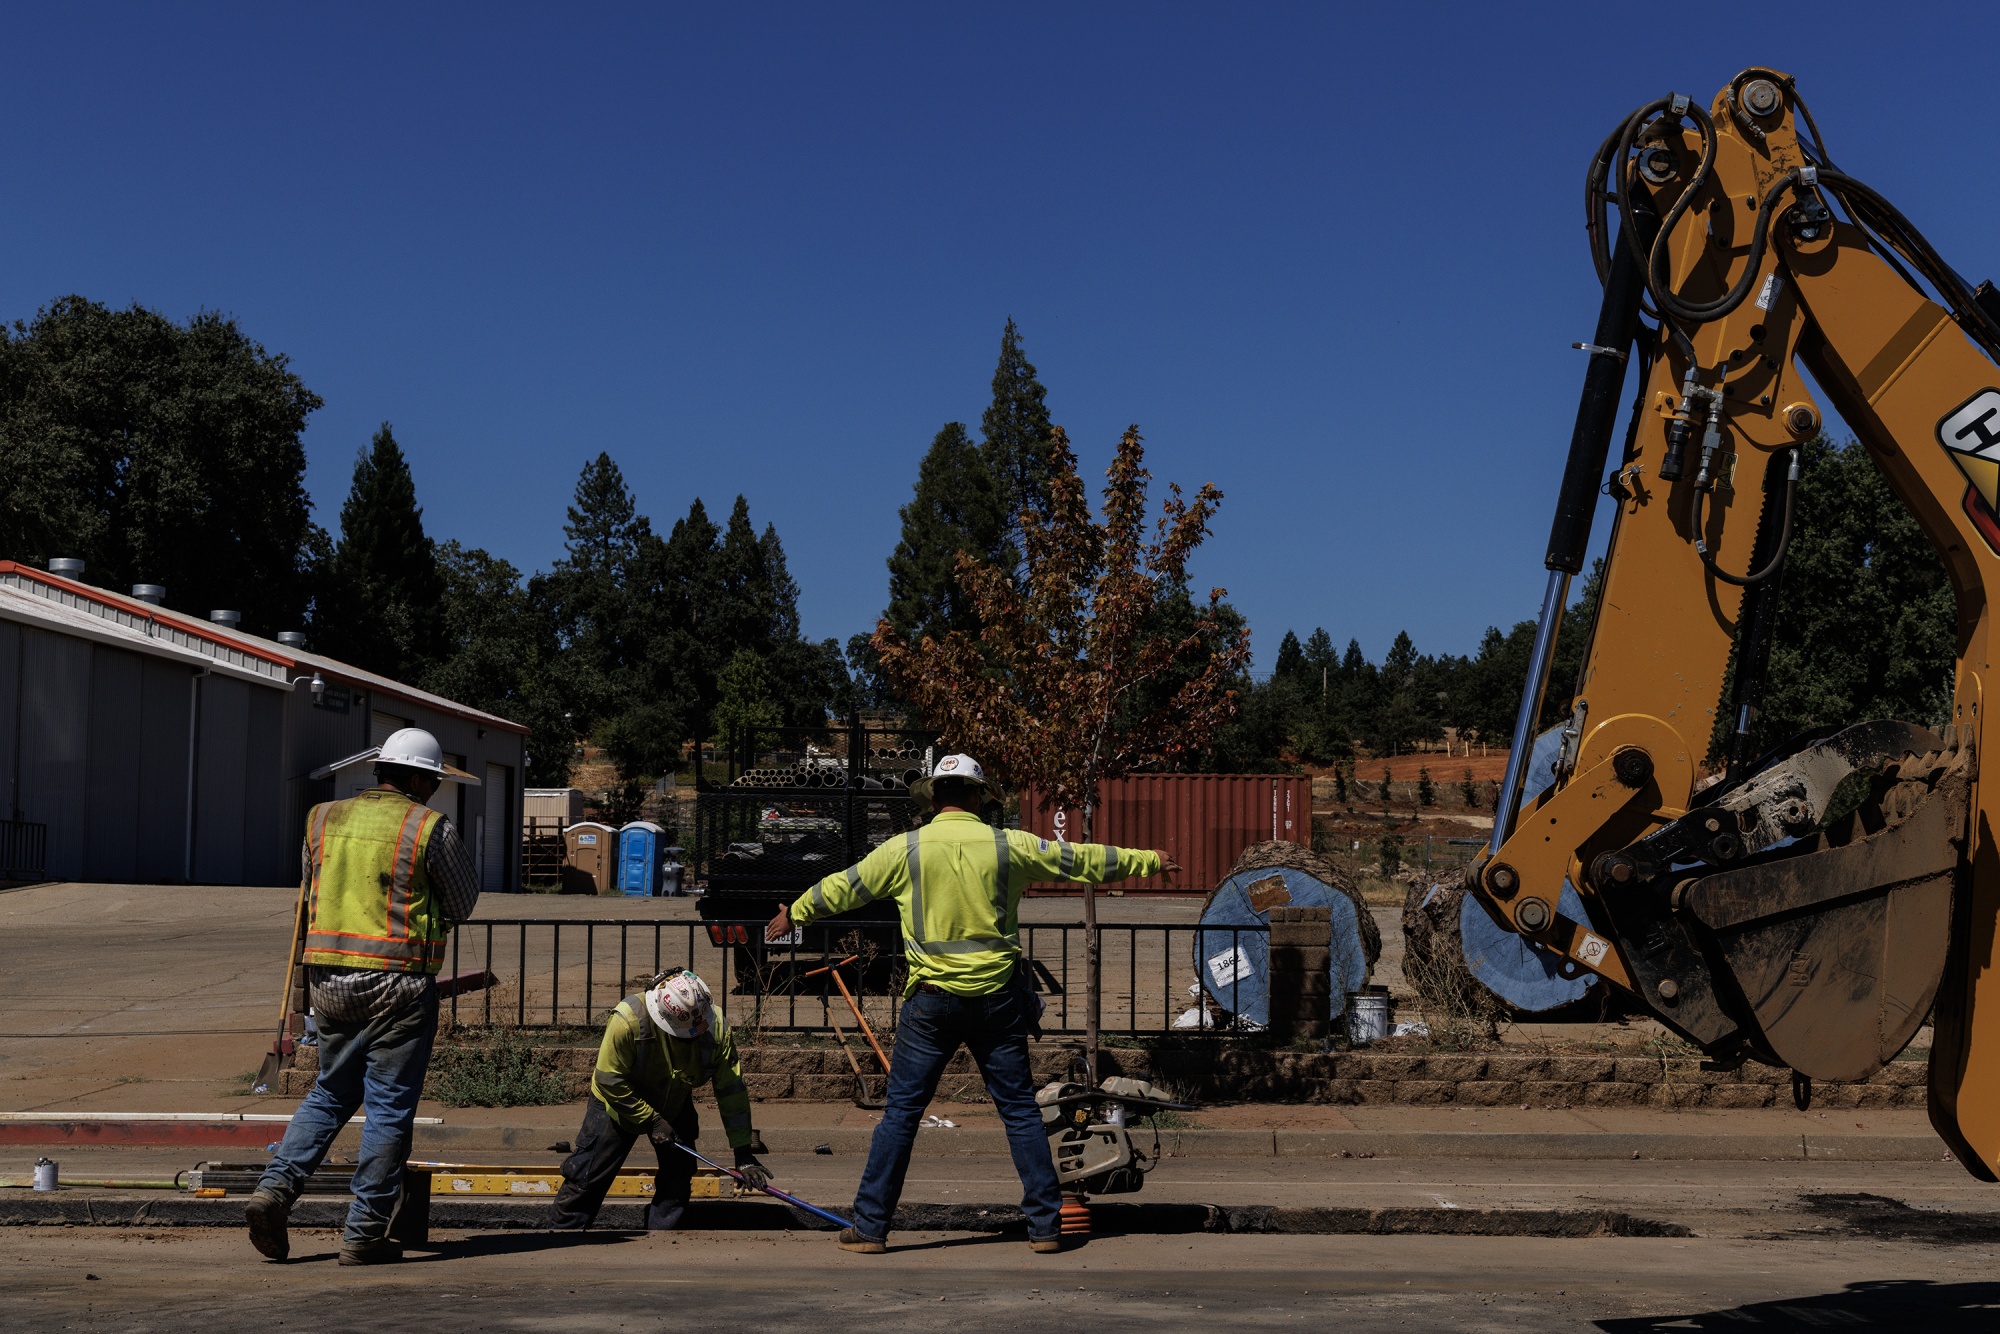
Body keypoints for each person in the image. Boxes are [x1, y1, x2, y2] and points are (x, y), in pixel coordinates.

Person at [765, 754, 1176, 1254]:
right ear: (979, 797)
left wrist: (797, 912)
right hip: (997, 1002)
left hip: (931, 1005)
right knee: (1021, 1113)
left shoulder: (904, 850)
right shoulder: (1009, 846)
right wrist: (1149, 860)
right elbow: (1082, 860)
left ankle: (871, 1228)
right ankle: (1046, 1228)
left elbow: (844, 887)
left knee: (900, 1117)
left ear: (934, 798)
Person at [245, 728, 481, 1265]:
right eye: (435, 781)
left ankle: (274, 1191)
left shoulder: (322, 818)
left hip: (328, 981)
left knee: (330, 1092)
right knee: (389, 1109)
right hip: (398, 985)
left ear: (381, 771)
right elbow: (463, 902)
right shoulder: (428, 827)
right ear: (420, 778)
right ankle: (364, 1233)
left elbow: (311, 888)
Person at [550, 967, 770, 1229]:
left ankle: (663, 1236)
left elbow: (731, 1091)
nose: (693, 1040)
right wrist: (651, 1120)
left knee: (678, 1175)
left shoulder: (716, 1027)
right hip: (619, 1103)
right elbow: (608, 1079)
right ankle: (564, 1234)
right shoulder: (628, 1019)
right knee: (587, 1175)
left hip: (673, 1099)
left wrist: (743, 1153)